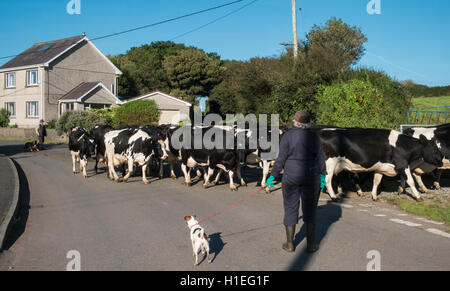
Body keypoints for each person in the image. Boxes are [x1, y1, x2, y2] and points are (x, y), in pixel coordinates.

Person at [266, 111, 327, 253]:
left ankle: (289, 244)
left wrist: (272, 177)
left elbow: (280, 159)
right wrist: (323, 176)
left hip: (291, 176)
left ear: (295, 121)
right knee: (310, 210)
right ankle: (311, 245)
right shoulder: (314, 137)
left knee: (290, 208)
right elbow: (321, 159)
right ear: (309, 123)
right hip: (311, 175)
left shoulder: (287, 136)